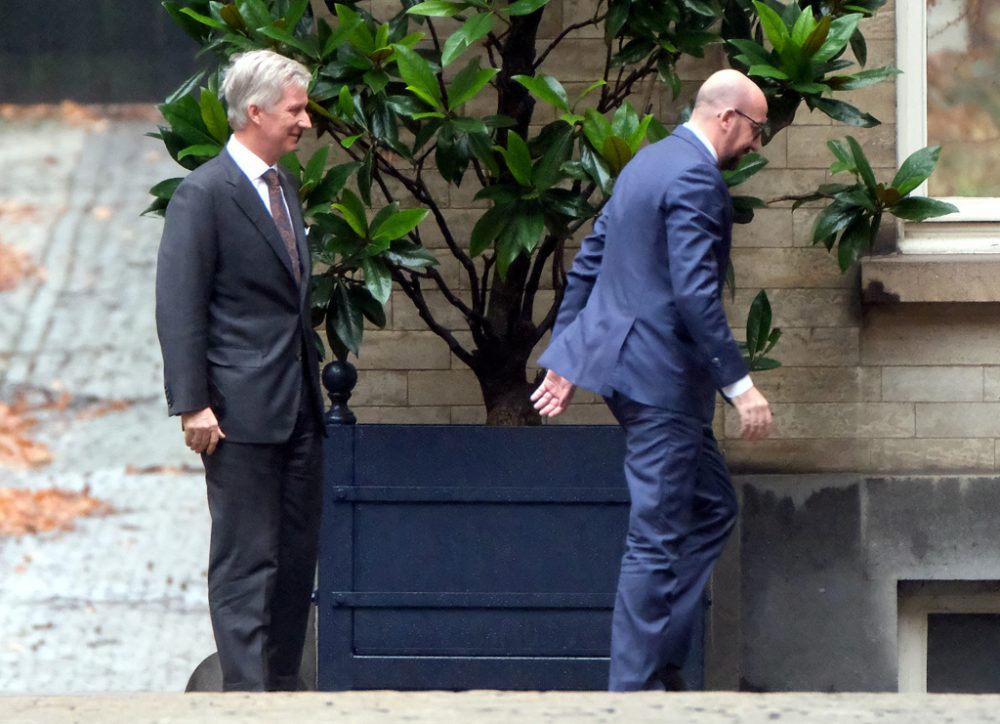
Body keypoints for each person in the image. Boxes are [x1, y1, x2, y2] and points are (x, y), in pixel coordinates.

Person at [530, 69, 774, 692]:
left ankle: (659, 663)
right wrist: (740, 385)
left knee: (713, 508)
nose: (756, 144)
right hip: (662, 380)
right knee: (656, 538)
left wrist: (566, 353)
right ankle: (632, 696)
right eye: (755, 129)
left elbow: (590, 260)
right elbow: (695, 294)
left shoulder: (645, 164)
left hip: (632, 376)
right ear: (727, 118)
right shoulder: (695, 176)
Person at [155, 49, 324, 692]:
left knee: (295, 564)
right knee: (246, 563)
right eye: (296, 109)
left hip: (301, 408)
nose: (305, 121)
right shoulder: (204, 194)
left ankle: (283, 691)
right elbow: (180, 305)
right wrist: (192, 404)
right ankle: (245, 701)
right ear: (255, 112)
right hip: (238, 416)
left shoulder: (286, 188)